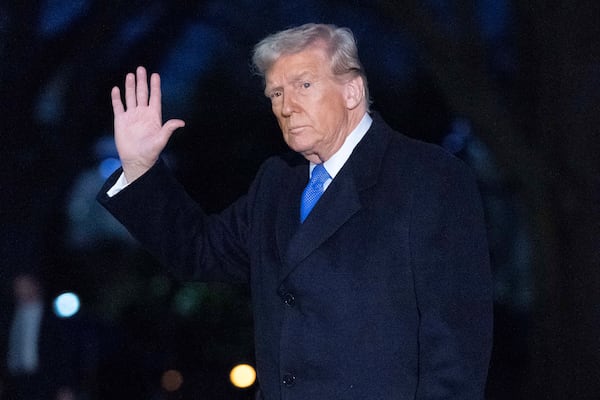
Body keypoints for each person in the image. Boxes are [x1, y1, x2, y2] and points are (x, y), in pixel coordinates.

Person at [98, 23, 493, 399]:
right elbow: (200, 251)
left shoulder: (428, 176)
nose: (287, 106)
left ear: (352, 91)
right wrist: (140, 168)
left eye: (303, 85)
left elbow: (456, 346)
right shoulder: (277, 185)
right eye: (275, 94)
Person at [0, 273, 76, 400]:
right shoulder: (9, 315)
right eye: (17, 286)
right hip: (14, 381)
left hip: (44, 380)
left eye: (25, 285)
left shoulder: (52, 317)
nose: (20, 290)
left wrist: (65, 386)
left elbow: (64, 353)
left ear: (35, 286)